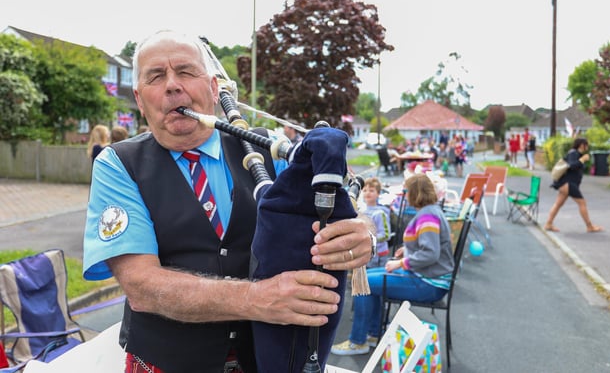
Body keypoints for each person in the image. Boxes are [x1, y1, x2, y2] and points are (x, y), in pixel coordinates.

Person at [82, 30, 374, 373]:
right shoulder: (118, 164)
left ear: (213, 88)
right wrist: (258, 299)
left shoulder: (268, 148)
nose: (173, 85)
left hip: (265, 361)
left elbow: (345, 195)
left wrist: (361, 232)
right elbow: (142, 285)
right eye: (156, 76)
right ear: (140, 98)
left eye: (186, 71)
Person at [332, 173, 454, 356]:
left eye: (406, 191)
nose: (404, 195)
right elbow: (430, 245)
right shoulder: (431, 212)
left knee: (363, 283)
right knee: (366, 279)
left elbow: (431, 253)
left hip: (429, 284)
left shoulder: (427, 217)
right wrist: (407, 250)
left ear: (415, 193)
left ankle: (358, 341)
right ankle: (373, 333)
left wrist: (401, 263)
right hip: (427, 277)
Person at [331, 177, 392, 355]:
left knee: (366, 290)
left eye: (371, 191)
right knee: (370, 292)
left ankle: (361, 339)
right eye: (365, 190)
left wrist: (368, 237)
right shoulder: (363, 210)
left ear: (378, 194)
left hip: (376, 259)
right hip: (365, 259)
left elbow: (386, 234)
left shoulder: (380, 213)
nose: (367, 193)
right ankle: (374, 332)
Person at [544, 138, 603, 233]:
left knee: (558, 204)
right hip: (569, 184)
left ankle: (548, 224)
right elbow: (572, 165)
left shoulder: (577, 154)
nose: (587, 147)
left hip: (566, 184)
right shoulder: (573, 153)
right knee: (582, 203)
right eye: (586, 145)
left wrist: (582, 160)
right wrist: (582, 160)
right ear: (581, 145)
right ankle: (589, 226)